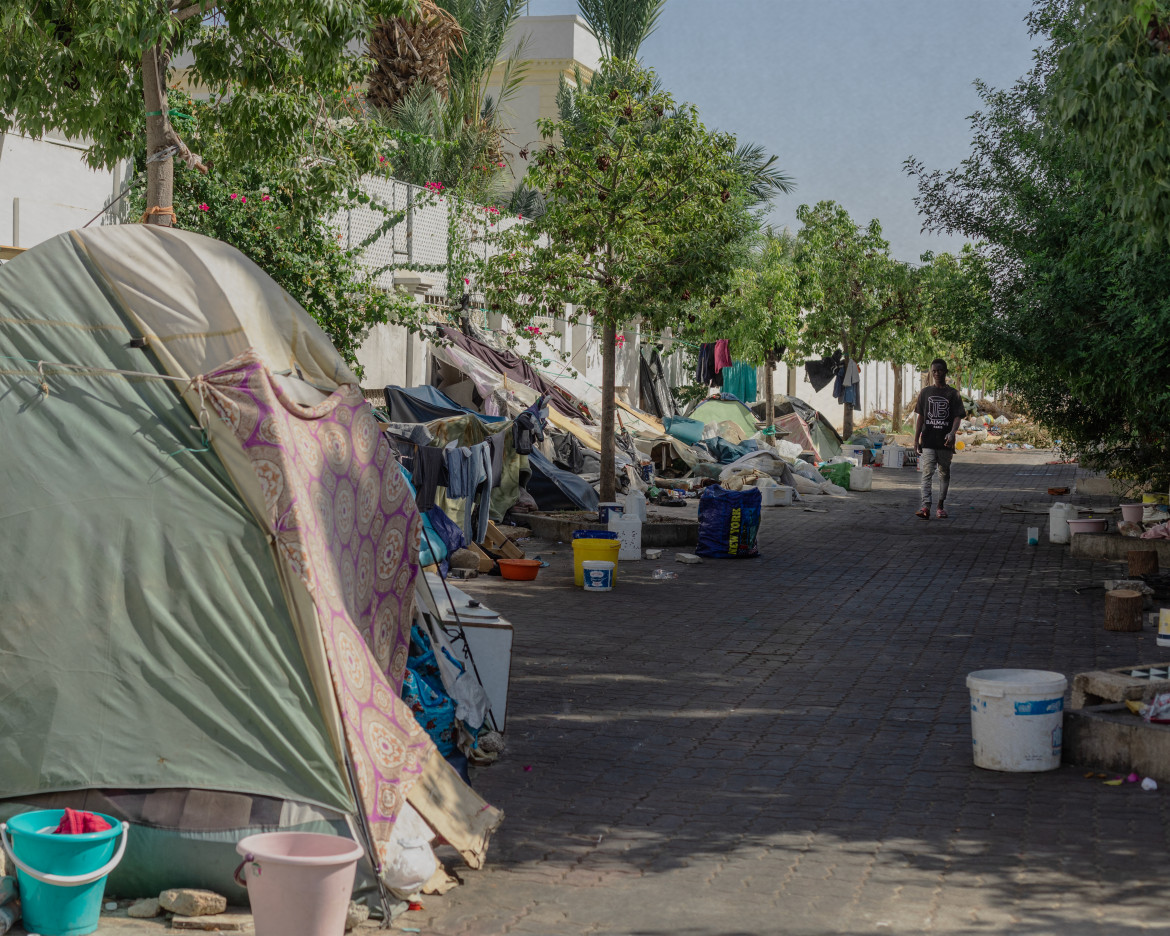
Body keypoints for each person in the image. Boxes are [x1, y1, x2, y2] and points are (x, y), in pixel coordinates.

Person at [913, 358, 965, 520]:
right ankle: (925, 506)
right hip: (928, 440)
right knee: (927, 473)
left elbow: (958, 417)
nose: (936, 373)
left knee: (944, 474)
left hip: (945, 442)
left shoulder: (953, 394)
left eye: (939, 370)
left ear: (945, 372)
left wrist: (952, 432)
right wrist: (916, 439)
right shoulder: (925, 393)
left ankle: (940, 506)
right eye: (934, 370)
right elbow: (920, 417)